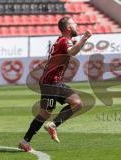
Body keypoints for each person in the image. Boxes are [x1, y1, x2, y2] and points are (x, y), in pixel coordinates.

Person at [18, 16, 92, 152]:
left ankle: (26, 140)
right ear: (68, 28)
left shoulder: (62, 40)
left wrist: (79, 41)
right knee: (75, 104)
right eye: (75, 24)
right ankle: (51, 126)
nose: (77, 26)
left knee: (46, 113)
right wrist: (84, 38)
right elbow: (72, 51)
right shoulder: (64, 41)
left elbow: (72, 49)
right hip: (52, 82)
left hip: (51, 81)